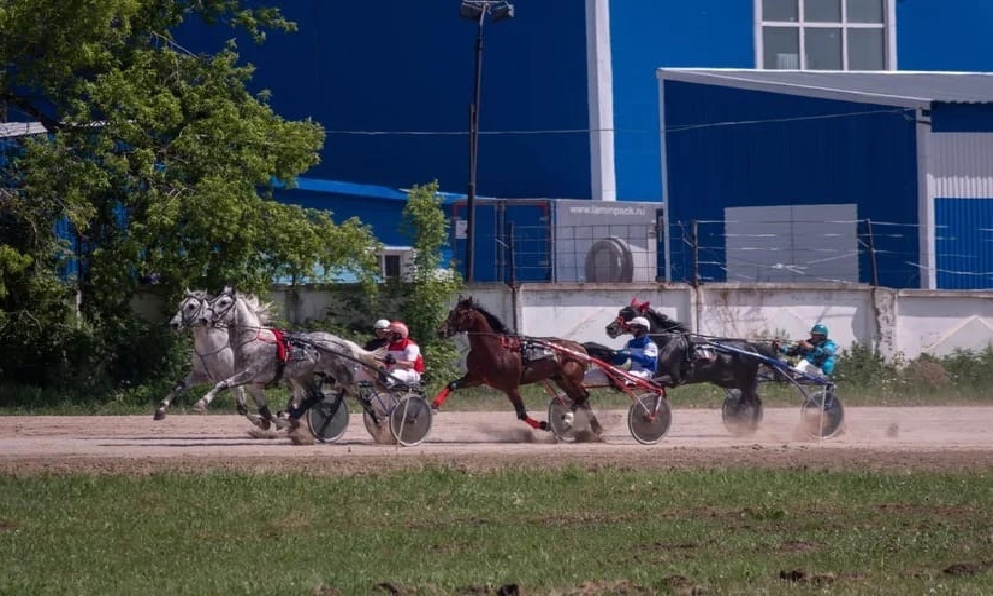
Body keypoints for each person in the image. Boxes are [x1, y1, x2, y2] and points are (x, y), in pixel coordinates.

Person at [611, 316, 659, 380]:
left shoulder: (650, 344)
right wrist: (613, 355)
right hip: (633, 373)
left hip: (646, 373)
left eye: (634, 327)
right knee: (610, 372)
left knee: (622, 376)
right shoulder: (629, 343)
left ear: (642, 329)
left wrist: (630, 353)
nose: (631, 329)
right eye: (631, 327)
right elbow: (620, 361)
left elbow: (648, 360)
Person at [382, 321, 425, 386]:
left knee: (394, 374)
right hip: (393, 371)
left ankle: (386, 384)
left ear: (398, 335)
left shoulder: (410, 345)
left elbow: (411, 365)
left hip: (411, 373)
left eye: (390, 333)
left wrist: (394, 361)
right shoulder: (389, 345)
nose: (387, 336)